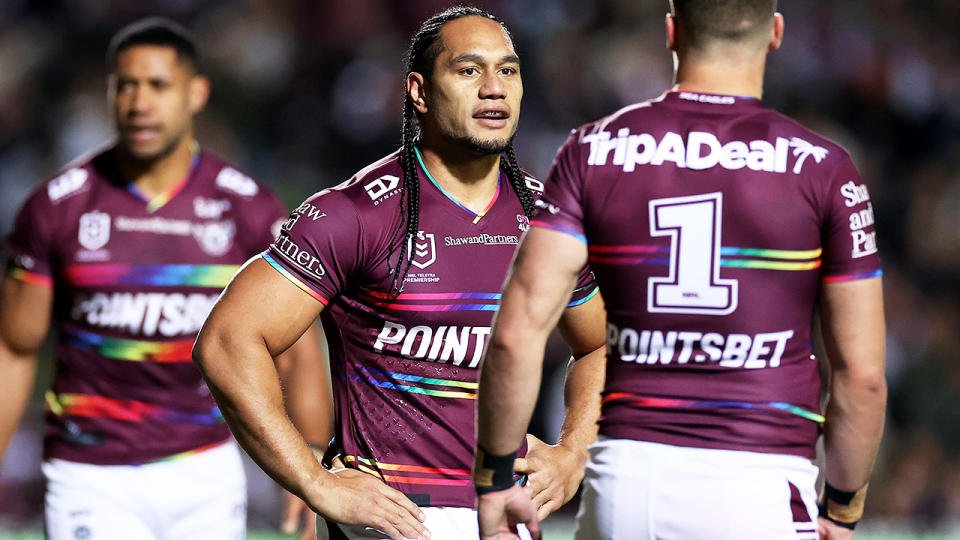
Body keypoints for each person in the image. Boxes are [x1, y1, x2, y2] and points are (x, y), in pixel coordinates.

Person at [474, 1, 887, 539]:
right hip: (760, 482)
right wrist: (841, 511)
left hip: (627, 480)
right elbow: (863, 379)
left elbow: (517, 331)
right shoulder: (825, 169)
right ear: (775, 34)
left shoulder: (593, 151)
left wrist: (496, 479)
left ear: (672, 32)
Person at [193, 6, 606, 540]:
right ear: (419, 90)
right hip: (392, 520)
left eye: (508, 70)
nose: (493, 88)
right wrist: (313, 481)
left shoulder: (550, 221)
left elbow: (601, 344)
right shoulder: (356, 214)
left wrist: (574, 451)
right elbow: (227, 341)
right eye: (468, 70)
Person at [0, 17, 328, 540]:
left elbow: (297, 348)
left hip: (207, 471)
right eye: (125, 85)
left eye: (158, 85)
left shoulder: (245, 209)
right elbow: (14, 350)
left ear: (196, 93)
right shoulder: (55, 208)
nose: (139, 102)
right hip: (90, 475)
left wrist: (312, 468)